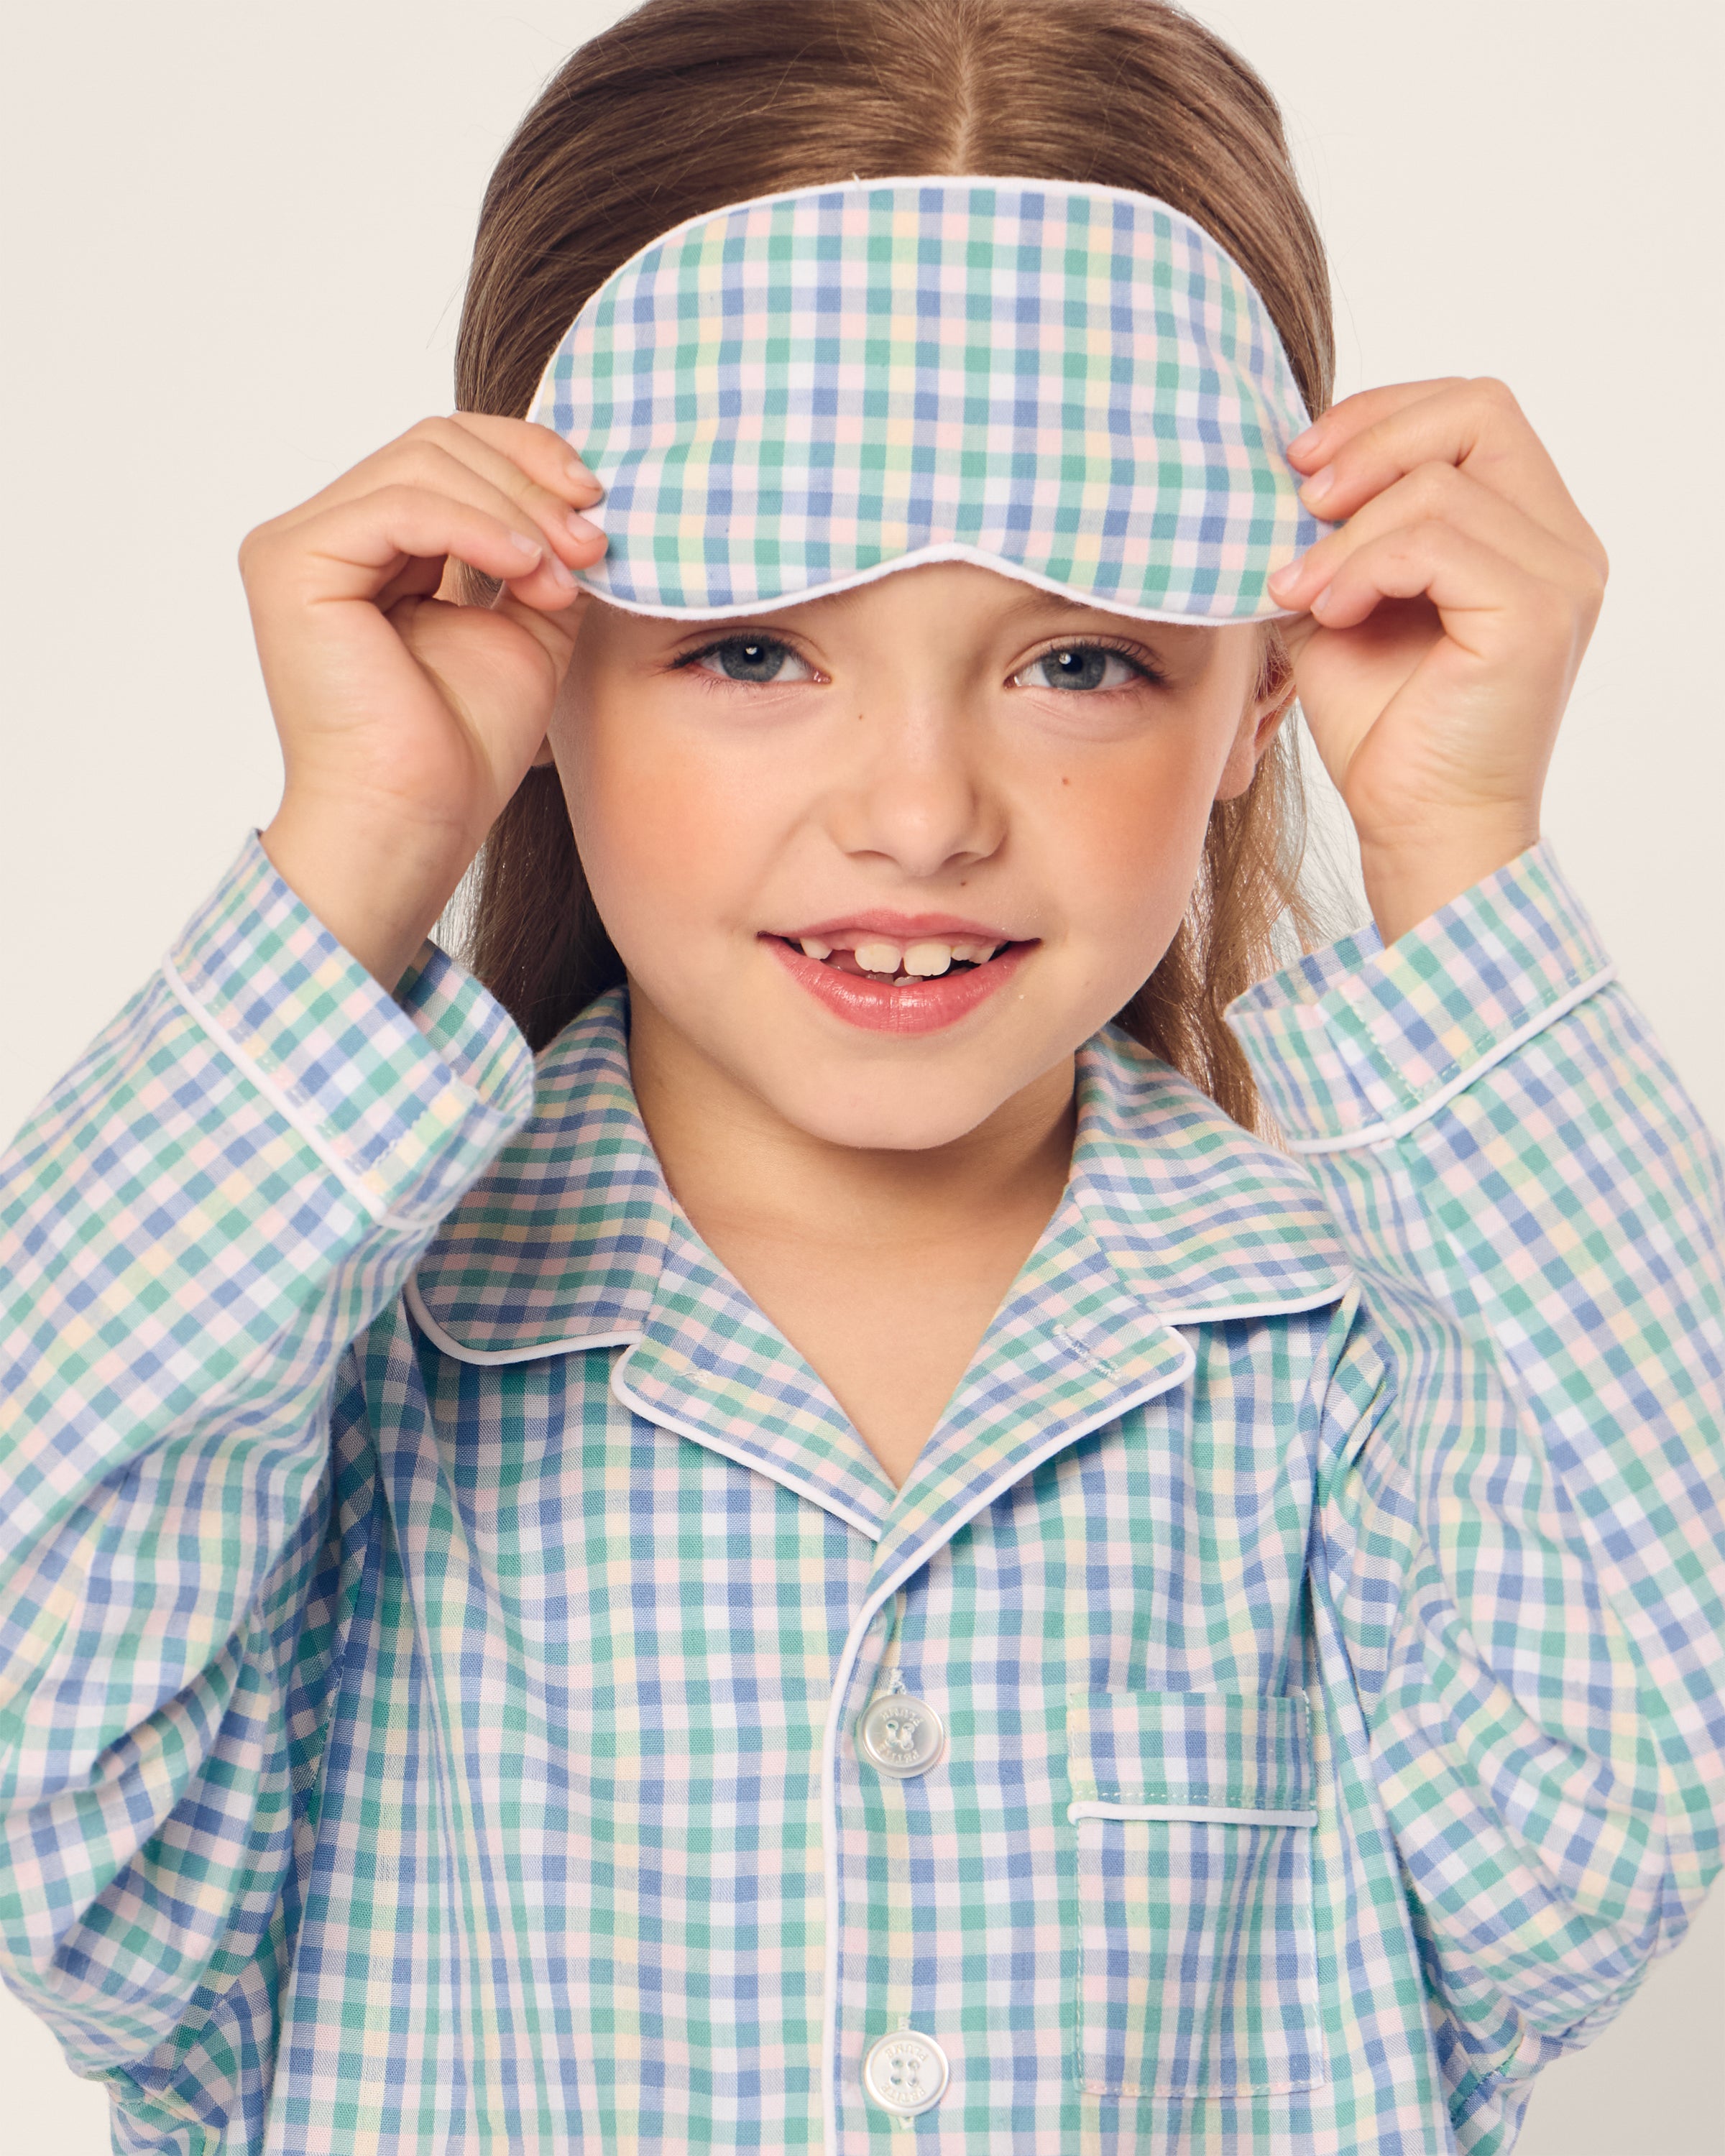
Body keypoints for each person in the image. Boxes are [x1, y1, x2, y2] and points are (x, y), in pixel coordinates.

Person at [1, 1, 1721, 2150]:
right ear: (538, 657)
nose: (920, 813)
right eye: (750, 647)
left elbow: (1637, 1774)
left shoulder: (1370, 1376)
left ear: (1262, 694)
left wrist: (1459, 849)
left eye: (1081, 657)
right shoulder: (312, 1385)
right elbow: (33, 1776)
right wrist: (360, 837)